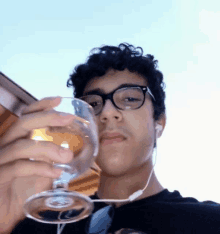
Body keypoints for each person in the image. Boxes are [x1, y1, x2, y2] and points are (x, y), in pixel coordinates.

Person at [1, 43, 220, 234]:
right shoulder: (42, 226)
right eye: (93, 104)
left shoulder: (210, 223)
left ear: (159, 123)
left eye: (130, 98)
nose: (106, 112)